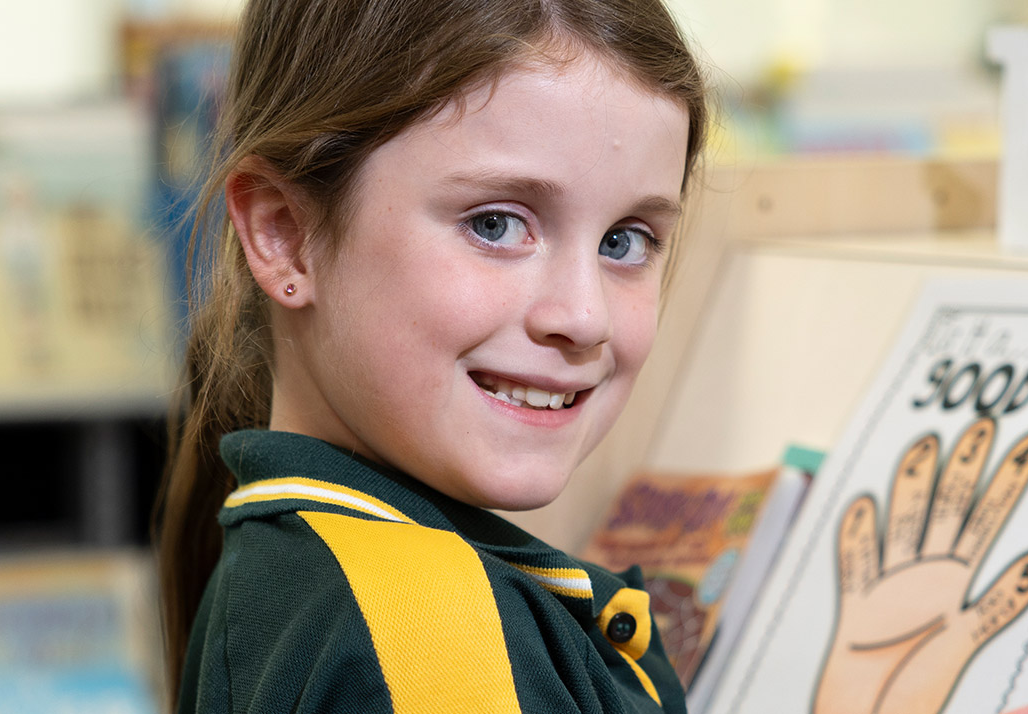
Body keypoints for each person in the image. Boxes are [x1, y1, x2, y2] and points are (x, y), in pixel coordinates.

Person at [153, 0, 707, 711]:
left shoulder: (297, 571)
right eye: (496, 224)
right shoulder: (429, 631)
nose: (584, 317)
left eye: (624, 241)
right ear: (285, 233)